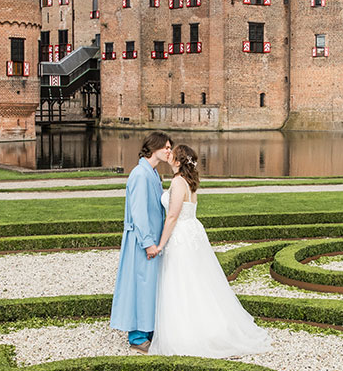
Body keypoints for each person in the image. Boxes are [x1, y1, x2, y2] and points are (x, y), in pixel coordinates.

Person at [150, 144, 271, 358]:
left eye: (172, 153)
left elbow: (172, 216)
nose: (168, 154)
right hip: (192, 232)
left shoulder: (178, 182)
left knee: (180, 281)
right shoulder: (189, 181)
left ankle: (186, 333)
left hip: (181, 235)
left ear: (178, 162)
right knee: (197, 280)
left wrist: (160, 244)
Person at [110, 131, 173, 349]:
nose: (169, 151)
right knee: (141, 284)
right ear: (153, 147)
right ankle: (137, 336)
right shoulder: (140, 174)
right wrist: (148, 243)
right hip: (141, 241)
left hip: (152, 239)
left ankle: (150, 328)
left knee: (150, 285)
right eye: (165, 147)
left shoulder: (153, 174)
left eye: (169, 147)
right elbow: (139, 214)